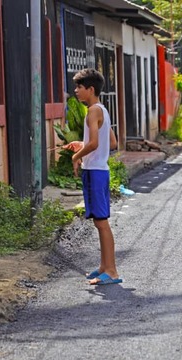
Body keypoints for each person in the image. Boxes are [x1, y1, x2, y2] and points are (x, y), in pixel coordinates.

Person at [64, 68, 121, 285]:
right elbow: (111, 143)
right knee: (100, 221)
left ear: (91, 89)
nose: (76, 91)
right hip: (100, 170)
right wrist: (82, 145)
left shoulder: (92, 112)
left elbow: (95, 143)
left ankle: (112, 271)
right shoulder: (102, 110)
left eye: (79, 87)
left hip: (95, 172)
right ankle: (104, 267)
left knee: (101, 222)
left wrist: (76, 156)